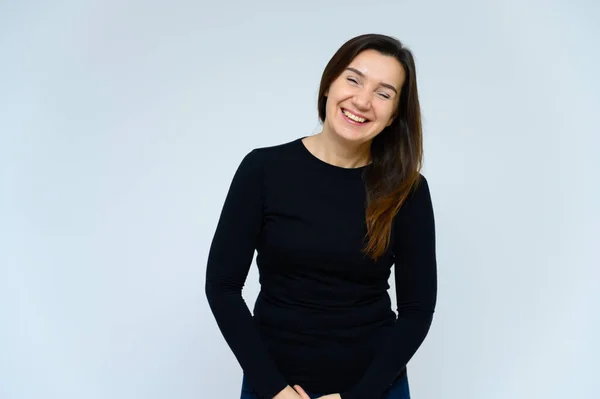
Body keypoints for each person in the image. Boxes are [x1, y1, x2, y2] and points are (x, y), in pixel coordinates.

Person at [205, 33, 437, 399]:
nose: (362, 101)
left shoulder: (408, 191)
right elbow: (222, 287)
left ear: (394, 116)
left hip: (374, 389)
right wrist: (274, 388)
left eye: (384, 93)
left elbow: (416, 310)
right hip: (274, 385)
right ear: (329, 84)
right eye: (353, 79)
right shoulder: (263, 170)